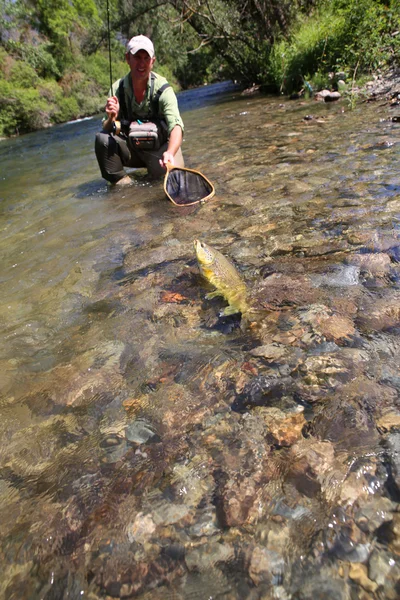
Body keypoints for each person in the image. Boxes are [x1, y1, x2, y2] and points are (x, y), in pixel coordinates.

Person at [95, 35, 184, 185]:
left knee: (170, 182)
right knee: (102, 139)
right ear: (127, 59)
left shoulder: (163, 90)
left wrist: (170, 153)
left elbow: (176, 126)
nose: (141, 63)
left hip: (160, 152)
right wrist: (111, 118)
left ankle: (158, 169)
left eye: (146, 58)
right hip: (132, 151)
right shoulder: (117, 89)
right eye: (137, 57)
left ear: (153, 62)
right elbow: (107, 128)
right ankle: (124, 186)